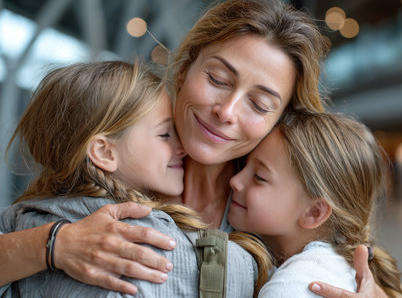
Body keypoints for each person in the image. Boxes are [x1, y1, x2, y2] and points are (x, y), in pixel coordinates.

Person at [0, 0, 387, 297]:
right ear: (184, 70)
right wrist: (53, 244)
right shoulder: (118, 161)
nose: (226, 112)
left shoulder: (275, 205)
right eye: (218, 78)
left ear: (278, 120)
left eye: (259, 104)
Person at [0, 60, 269, 297]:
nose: (182, 148)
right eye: (165, 134)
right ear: (105, 152)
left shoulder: (16, 219)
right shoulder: (144, 233)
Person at [227, 109, 402, 297]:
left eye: (259, 177)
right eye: (243, 164)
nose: (235, 180)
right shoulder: (335, 269)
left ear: (314, 212)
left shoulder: (293, 287)